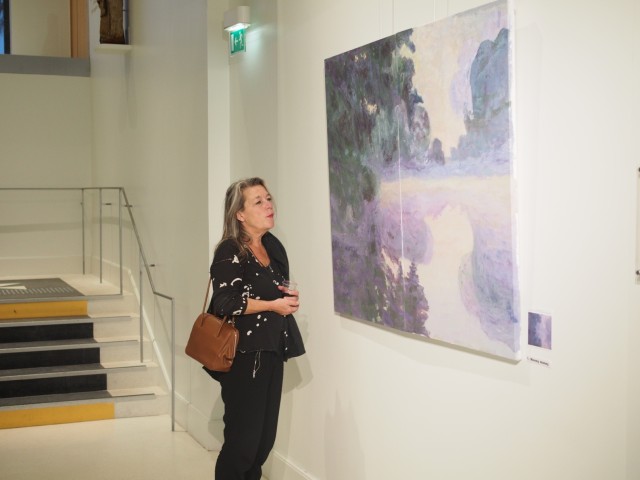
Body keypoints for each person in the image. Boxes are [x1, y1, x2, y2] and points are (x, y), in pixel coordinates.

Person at [205, 177, 305, 480]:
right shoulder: (230, 250)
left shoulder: (273, 247)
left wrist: (286, 300)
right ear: (240, 214)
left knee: (262, 443)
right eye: (258, 201)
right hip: (243, 357)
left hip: (272, 350)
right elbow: (225, 302)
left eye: (269, 198)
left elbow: (277, 290)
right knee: (242, 446)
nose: (268, 205)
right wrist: (273, 305)